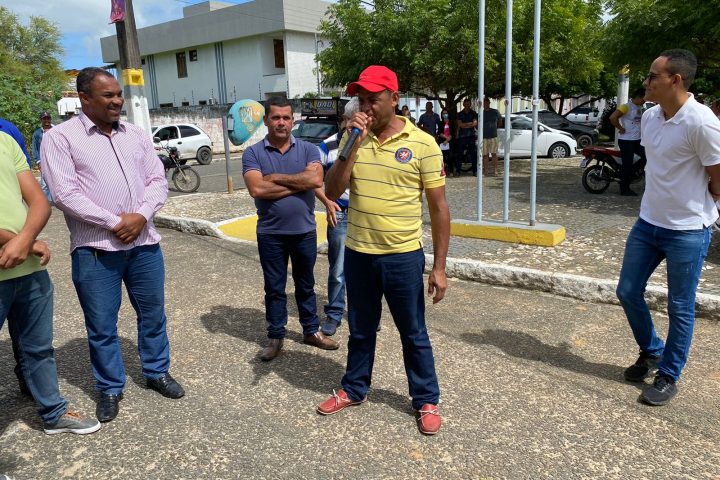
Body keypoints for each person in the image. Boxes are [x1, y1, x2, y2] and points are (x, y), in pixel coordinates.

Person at [41, 67, 185, 423]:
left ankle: (156, 371)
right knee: (102, 325)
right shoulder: (59, 138)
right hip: (95, 250)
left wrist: (141, 216)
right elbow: (64, 194)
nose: (117, 100)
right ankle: (109, 387)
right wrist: (115, 222)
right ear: (84, 98)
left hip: (144, 245)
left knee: (153, 314)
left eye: (119, 94)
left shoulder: (135, 134)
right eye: (108, 95)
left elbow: (156, 180)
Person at [317, 65, 450, 435]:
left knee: (413, 332)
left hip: (403, 256)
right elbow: (332, 191)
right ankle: (354, 388)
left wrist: (440, 267)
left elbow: (439, 208)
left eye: (373, 99)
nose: (366, 106)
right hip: (359, 254)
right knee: (361, 329)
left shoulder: (422, 144)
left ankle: (426, 398)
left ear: (394, 98)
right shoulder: (352, 141)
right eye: (361, 99)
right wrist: (351, 146)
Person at [616, 49, 720, 406]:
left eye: (652, 76)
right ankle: (652, 350)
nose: (646, 82)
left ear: (676, 80)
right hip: (648, 223)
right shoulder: (649, 117)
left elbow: (718, 175)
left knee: (680, 305)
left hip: (688, 230)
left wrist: (708, 201)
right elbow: (660, 166)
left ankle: (668, 374)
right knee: (628, 290)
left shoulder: (702, 122)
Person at [0, 130, 100, 435]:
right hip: (21, 255)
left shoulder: (5, 141)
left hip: (28, 269)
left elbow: (40, 202)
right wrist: (26, 243)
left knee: (38, 348)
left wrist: (25, 241)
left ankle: (53, 412)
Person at [242, 97, 339, 361]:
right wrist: (300, 183)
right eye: (276, 117)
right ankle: (276, 336)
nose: (281, 122)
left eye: (286, 117)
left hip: (304, 231)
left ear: (292, 120)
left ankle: (311, 331)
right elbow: (257, 189)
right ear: (266, 121)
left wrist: (275, 178)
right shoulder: (253, 153)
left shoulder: (308, 149)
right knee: (274, 287)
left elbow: (316, 179)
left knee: (306, 284)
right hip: (270, 233)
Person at [314, 98, 359, 336]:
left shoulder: (370, 145)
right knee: (339, 268)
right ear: (345, 120)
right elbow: (315, 181)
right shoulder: (327, 146)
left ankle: (362, 313)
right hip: (340, 214)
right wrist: (327, 201)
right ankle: (334, 313)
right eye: (354, 120)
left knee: (364, 268)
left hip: (365, 216)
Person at [610, 88, 647, 196]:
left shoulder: (639, 107)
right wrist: (620, 128)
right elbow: (613, 117)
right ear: (639, 97)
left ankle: (630, 174)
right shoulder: (626, 106)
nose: (644, 101)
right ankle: (624, 188)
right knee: (627, 163)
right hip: (626, 141)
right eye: (644, 99)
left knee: (647, 158)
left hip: (637, 140)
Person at [32, 112, 54, 203]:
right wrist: (38, 162)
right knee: (44, 183)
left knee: (58, 181)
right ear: (41, 120)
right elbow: (35, 149)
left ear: (50, 119)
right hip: (44, 161)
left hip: (56, 160)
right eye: (44, 118)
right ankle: (46, 203)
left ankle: (57, 201)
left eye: (48, 118)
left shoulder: (57, 130)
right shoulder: (37, 133)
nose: (46, 120)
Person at [456, 98, 478, 175]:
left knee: (473, 154)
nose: (467, 105)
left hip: (471, 136)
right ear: (463, 104)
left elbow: (475, 123)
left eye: (468, 104)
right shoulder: (460, 114)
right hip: (462, 136)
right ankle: (458, 171)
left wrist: (464, 125)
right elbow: (460, 124)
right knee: (459, 154)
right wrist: (470, 124)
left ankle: (475, 171)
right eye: (466, 104)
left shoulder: (474, 113)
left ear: (470, 104)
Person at [481, 97, 501, 176]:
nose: (485, 104)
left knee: (494, 154)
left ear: (489, 103)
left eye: (487, 102)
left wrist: (495, 128)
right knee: (485, 155)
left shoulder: (495, 111)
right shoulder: (481, 112)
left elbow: (500, 121)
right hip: (484, 137)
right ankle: (486, 171)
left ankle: (495, 170)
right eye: (484, 103)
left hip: (493, 136)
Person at [438, 108, 453, 176]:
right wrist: (445, 138)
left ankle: (451, 171)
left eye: (446, 113)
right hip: (442, 142)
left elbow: (452, 133)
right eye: (443, 113)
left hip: (450, 141)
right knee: (442, 157)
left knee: (450, 156)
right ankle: (443, 170)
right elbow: (439, 132)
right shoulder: (440, 123)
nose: (445, 115)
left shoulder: (451, 123)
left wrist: (447, 140)